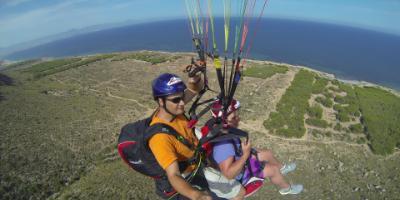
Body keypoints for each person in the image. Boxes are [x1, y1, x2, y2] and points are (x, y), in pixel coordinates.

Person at [208, 99, 303, 196]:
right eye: (234, 117)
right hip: (242, 175)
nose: (238, 118)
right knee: (273, 170)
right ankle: (286, 188)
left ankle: (282, 168)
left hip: (240, 159)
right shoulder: (223, 146)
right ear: (224, 121)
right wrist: (245, 155)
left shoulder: (225, 132)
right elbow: (228, 175)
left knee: (267, 154)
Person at [148, 72, 216, 200]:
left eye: (182, 97)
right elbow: (173, 175)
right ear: (160, 101)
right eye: (176, 99)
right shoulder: (159, 138)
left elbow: (194, 89)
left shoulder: (174, 110)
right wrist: (196, 195)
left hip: (196, 167)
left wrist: (193, 80)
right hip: (182, 182)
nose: (182, 103)